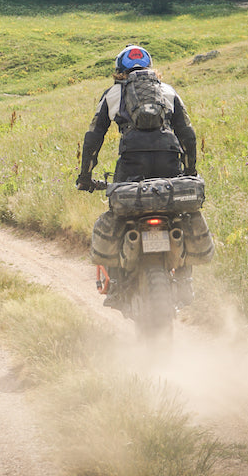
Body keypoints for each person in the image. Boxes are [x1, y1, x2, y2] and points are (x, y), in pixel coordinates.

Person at [76, 45, 202, 306]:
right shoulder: (168, 91)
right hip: (170, 161)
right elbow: (188, 136)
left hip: (132, 163)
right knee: (179, 216)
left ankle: (119, 286)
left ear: (119, 71)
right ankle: (186, 280)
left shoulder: (113, 93)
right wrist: (189, 171)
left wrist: (86, 176)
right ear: (150, 68)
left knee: (121, 215)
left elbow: (92, 138)